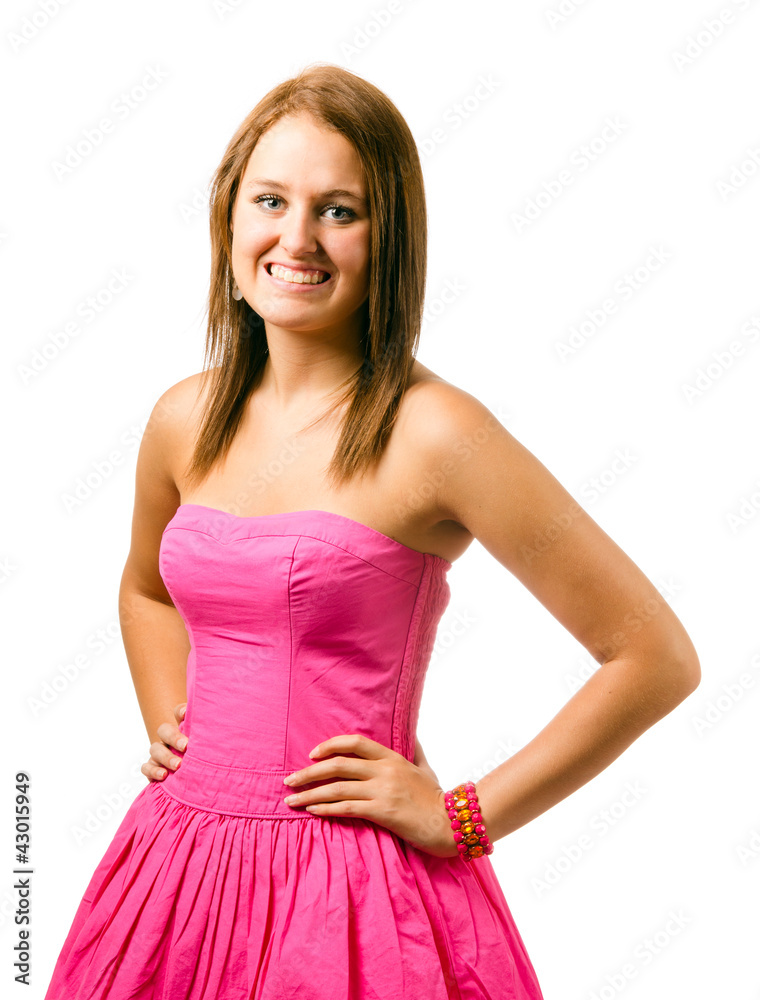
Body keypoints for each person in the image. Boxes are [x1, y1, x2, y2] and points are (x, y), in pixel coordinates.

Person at [44, 62, 701, 999]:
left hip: (352, 895)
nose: (295, 238)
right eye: (270, 199)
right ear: (230, 217)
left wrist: (463, 817)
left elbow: (654, 656)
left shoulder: (440, 433)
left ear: (389, 236)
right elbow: (147, 585)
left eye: (338, 210)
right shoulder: (183, 418)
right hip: (175, 867)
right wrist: (166, 716)